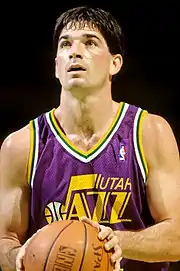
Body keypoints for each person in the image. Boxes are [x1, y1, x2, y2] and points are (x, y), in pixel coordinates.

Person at [0, 6, 180, 271]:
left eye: (90, 42)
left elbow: (176, 236)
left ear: (114, 63)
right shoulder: (22, 145)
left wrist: (114, 242)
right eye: (65, 44)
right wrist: (18, 256)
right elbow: (5, 240)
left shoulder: (149, 132)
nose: (74, 51)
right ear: (56, 67)